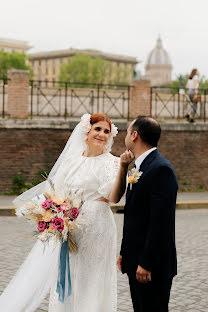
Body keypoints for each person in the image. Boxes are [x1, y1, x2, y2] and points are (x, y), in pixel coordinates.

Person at [0, 113, 127, 312]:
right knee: (69, 272)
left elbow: (113, 197)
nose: (102, 134)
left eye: (106, 131)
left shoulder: (113, 163)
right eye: (98, 129)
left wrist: (123, 168)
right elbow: (54, 192)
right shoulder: (71, 161)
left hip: (98, 228)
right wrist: (53, 215)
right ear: (87, 131)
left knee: (93, 277)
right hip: (70, 227)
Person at [117, 116, 178, 312]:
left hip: (151, 267)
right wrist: (125, 252)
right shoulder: (139, 166)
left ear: (134, 136)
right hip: (136, 260)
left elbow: (160, 223)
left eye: (127, 132)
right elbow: (135, 217)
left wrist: (146, 263)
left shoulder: (160, 169)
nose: (126, 136)